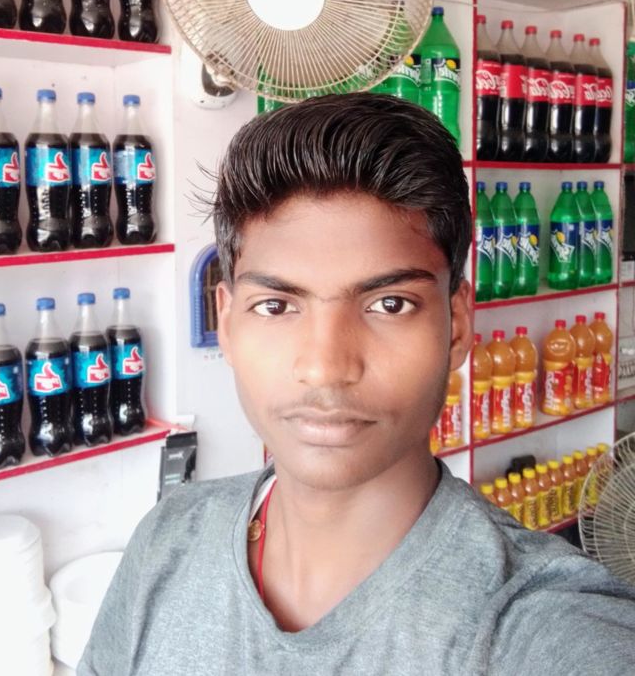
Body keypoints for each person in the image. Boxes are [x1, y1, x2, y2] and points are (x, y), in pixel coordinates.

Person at [79, 94, 635, 675]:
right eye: (276, 306)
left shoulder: (536, 624)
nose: (326, 367)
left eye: (389, 304)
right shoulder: (166, 540)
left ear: (456, 326)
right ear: (227, 323)